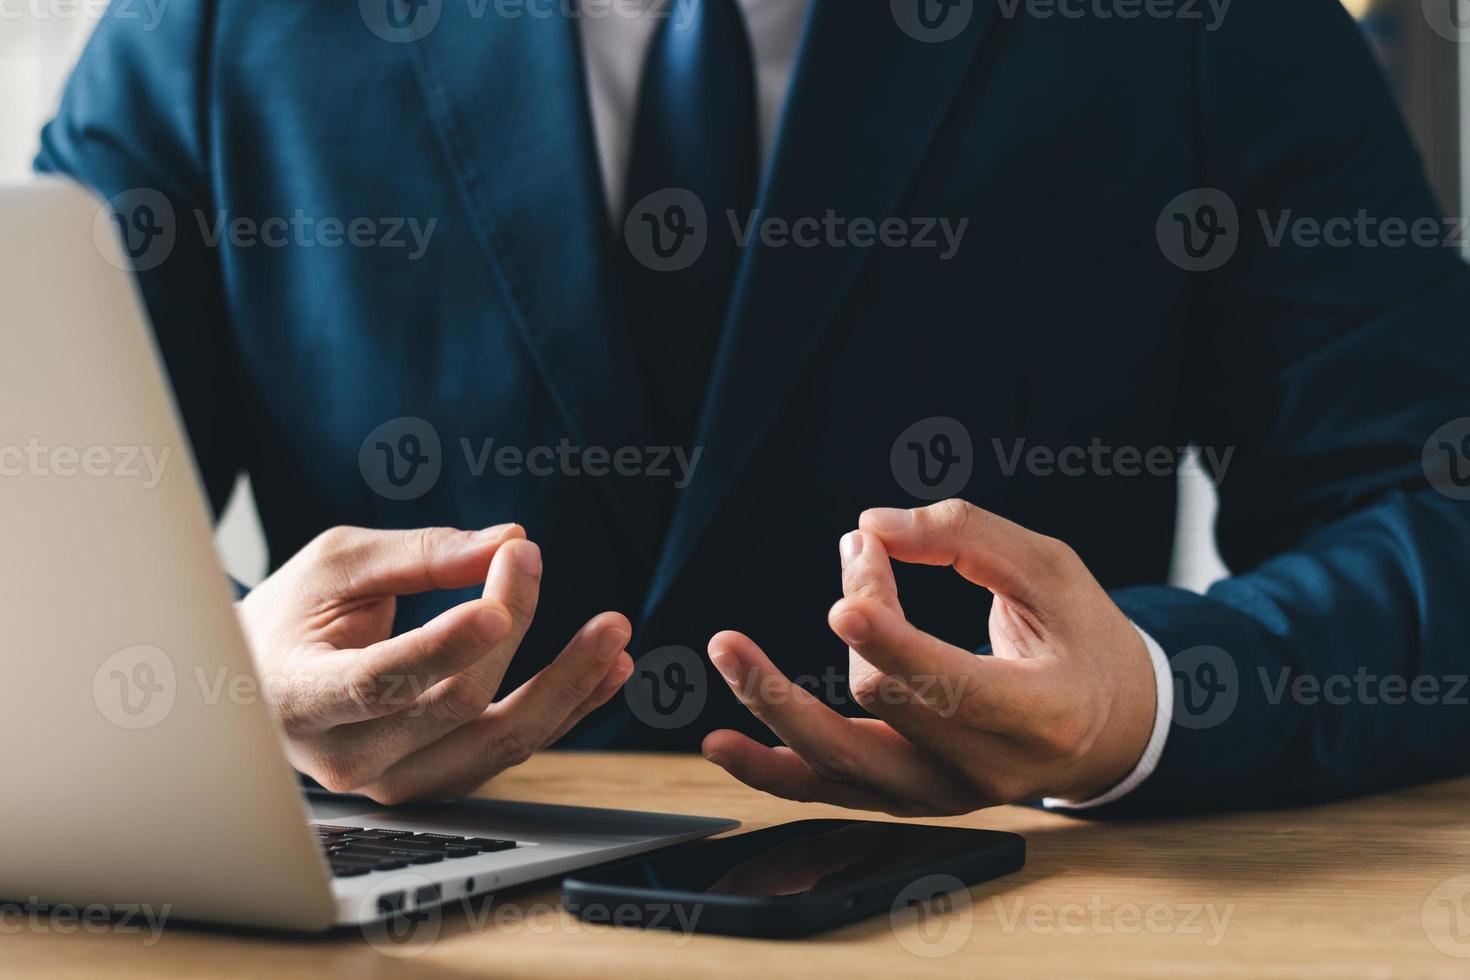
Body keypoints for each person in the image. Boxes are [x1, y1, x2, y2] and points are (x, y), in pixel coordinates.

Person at [37, 0, 1470, 817]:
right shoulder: (209, 27)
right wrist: (221, 693)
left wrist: (1147, 701)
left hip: (1017, 931)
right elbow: (29, 523)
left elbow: (1430, 517)